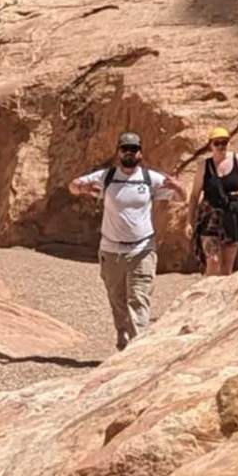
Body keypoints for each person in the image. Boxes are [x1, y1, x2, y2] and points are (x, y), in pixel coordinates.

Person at [70, 130, 174, 347]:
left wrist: (179, 187)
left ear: (140, 153)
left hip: (142, 249)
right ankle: (123, 335)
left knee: (139, 299)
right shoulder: (106, 176)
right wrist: (83, 188)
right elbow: (73, 185)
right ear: (118, 152)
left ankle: (138, 350)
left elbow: (177, 195)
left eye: (134, 149)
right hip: (111, 249)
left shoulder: (149, 179)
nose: (129, 153)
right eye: (125, 149)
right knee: (117, 299)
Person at [195, 128, 238, 278]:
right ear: (210, 145)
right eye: (217, 143)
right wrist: (189, 222)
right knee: (213, 262)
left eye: (224, 142)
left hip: (232, 218)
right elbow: (194, 196)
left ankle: (221, 299)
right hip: (210, 219)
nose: (221, 146)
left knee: (226, 268)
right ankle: (207, 296)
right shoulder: (204, 166)